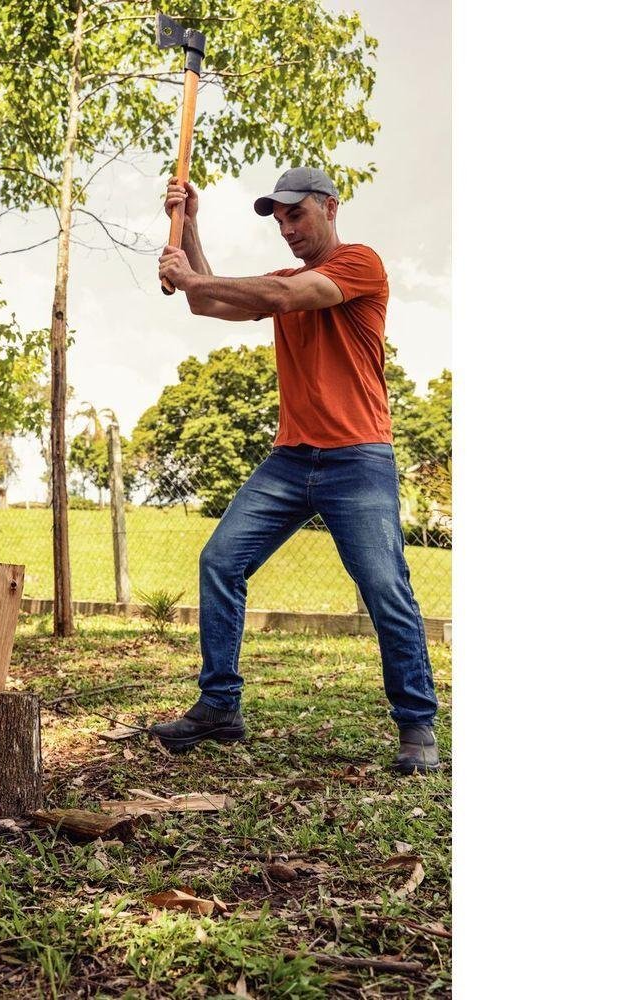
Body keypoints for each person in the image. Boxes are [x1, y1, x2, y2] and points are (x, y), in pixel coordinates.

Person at [151, 166, 440, 774]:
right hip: (290, 459)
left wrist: (187, 272)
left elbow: (283, 296)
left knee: (384, 587)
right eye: (279, 219)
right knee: (221, 561)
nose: (286, 227)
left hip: (357, 457)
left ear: (330, 208)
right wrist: (192, 229)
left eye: (296, 213)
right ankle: (220, 705)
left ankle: (416, 728)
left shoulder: (360, 265)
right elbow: (204, 300)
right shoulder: (277, 280)